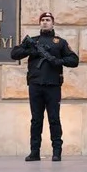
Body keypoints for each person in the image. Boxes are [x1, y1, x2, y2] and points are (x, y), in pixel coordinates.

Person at [10, 11, 79, 162]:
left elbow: (74, 60)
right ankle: (34, 152)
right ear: (39, 23)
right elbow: (14, 53)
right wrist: (30, 50)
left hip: (53, 86)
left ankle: (57, 152)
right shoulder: (32, 41)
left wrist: (58, 61)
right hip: (35, 85)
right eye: (42, 20)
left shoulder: (59, 42)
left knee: (54, 119)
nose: (45, 22)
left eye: (48, 20)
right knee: (36, 120)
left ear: (53, 23)